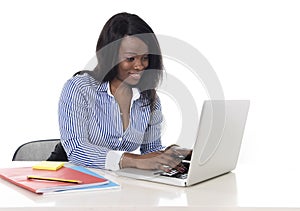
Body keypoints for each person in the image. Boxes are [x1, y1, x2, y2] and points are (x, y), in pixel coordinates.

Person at [49, 12, 191, 172]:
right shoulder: (79, 88)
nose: (140, 66)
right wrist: (132, 160)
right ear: (110, 57)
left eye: (145, 58)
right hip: (66, 179)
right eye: (130, 59)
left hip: (112, 185)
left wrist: (169, 156)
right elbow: (77, 150)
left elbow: (150, 151)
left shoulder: (149, 99)